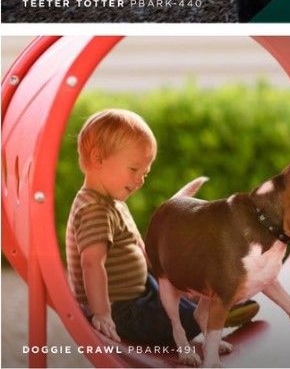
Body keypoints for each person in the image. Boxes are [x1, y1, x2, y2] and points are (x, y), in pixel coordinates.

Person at [66, 109, 258, 352]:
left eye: (145, 173)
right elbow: (92, 264)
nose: (140, 180)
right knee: (171, 318)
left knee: (173, 295)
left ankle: (201, 300)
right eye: (134, 169)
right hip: (121, 309)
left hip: (140, 289)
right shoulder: (94, 210)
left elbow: (135, 245)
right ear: (97, 158)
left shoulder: (110, 201)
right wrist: (102, 313)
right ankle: (206, 319)